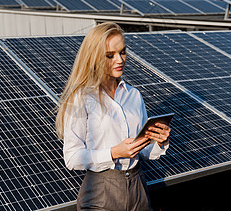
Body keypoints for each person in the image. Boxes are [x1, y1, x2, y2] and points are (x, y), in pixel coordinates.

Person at [56, 22, 171, 211]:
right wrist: (114, 152)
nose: (120, 60)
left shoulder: (133, 95)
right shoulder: (81, 98)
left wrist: (158, 142)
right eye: (110, 55)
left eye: (123, 52)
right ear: (94, 58)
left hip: (137, 187)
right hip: (100, 192)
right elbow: (72, 157)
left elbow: (141, 151)